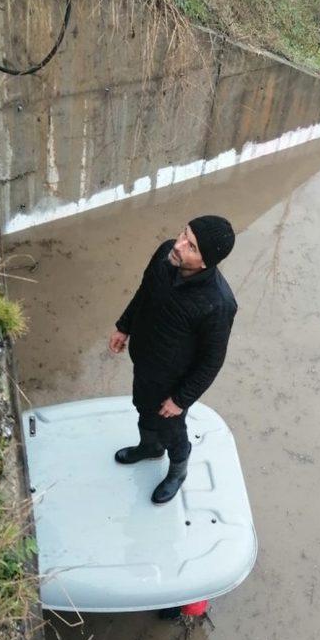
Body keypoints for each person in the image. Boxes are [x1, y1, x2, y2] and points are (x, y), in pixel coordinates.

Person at [109, 215, 237, 504]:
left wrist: (180, 399)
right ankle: (150, 448)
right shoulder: (166, 255)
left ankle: (178, 470)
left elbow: (211, 361)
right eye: (183, 233)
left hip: (174, 384)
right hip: (145, 362)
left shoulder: (218, 304)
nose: (178, 245)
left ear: (206, 262)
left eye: (190, 246)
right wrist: (124, 326)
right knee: (142, 406)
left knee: (172, 429)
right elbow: (144, 293)